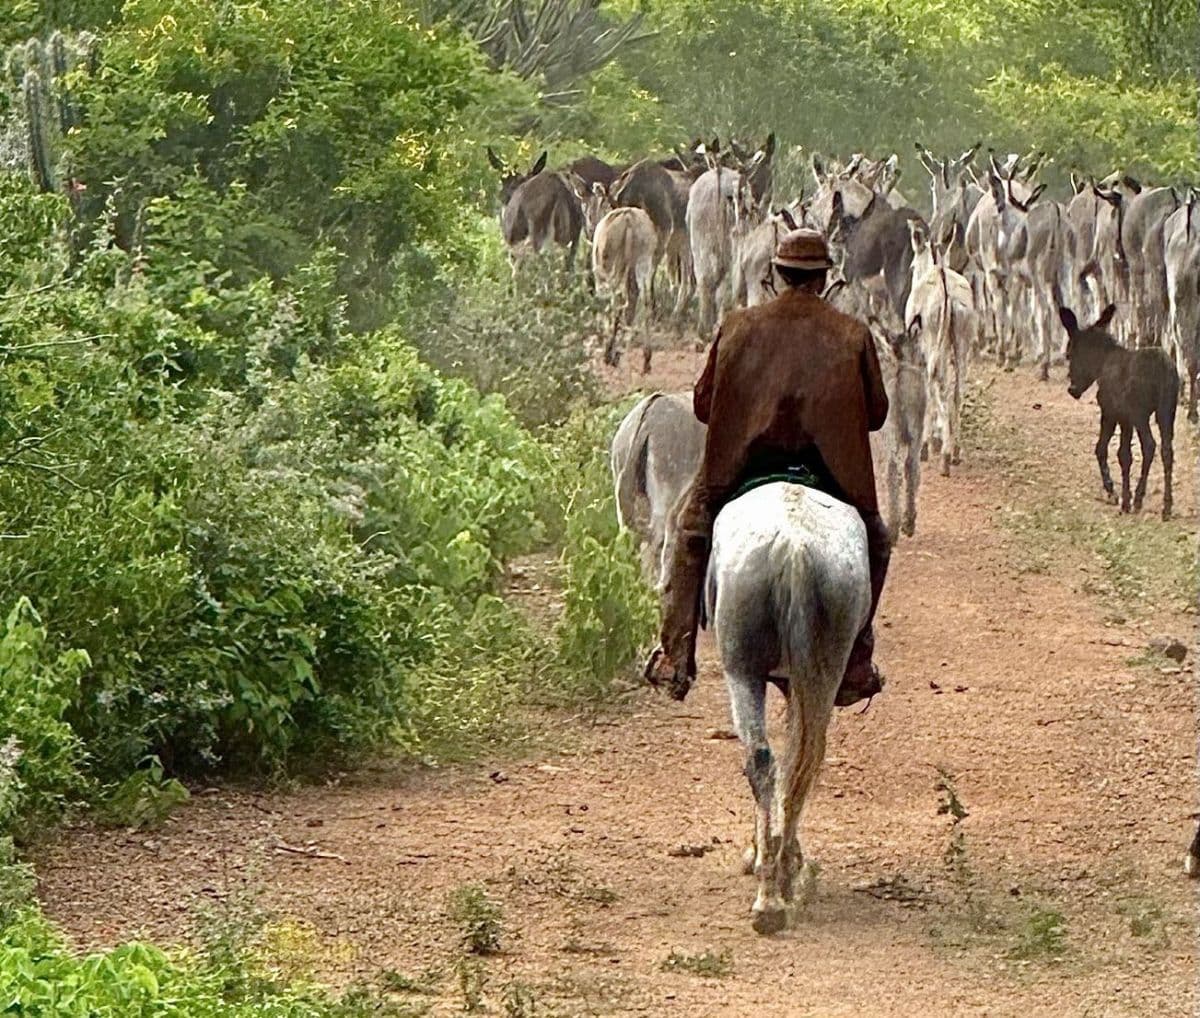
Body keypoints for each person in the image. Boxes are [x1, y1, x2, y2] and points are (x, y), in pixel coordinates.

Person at [644, 228, 891, 705]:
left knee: (688, 530)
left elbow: (701, 405)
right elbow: (877, 415)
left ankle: (676, 657)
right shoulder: (852, 335)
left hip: (743, 467)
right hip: (831, 474)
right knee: (877, 540)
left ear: (776, 276)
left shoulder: (738, 325)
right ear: (823, 280)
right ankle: (856, 659)